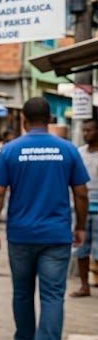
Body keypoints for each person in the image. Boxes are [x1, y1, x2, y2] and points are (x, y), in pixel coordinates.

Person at [0, 97, 89, 340]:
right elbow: (81, 193)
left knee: (22, 292)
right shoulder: (67, 150)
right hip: (56, 235)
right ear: (50, 120)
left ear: (23, 120)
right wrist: (80, 226)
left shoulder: (10, 150)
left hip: (20, 234)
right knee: (53, 295)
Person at [72, 118, 98, 298]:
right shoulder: (79, 153)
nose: (85, 134)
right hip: (82, 206)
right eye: (84, 130)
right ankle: (84, 285)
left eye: (89, 130)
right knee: (81, 248)